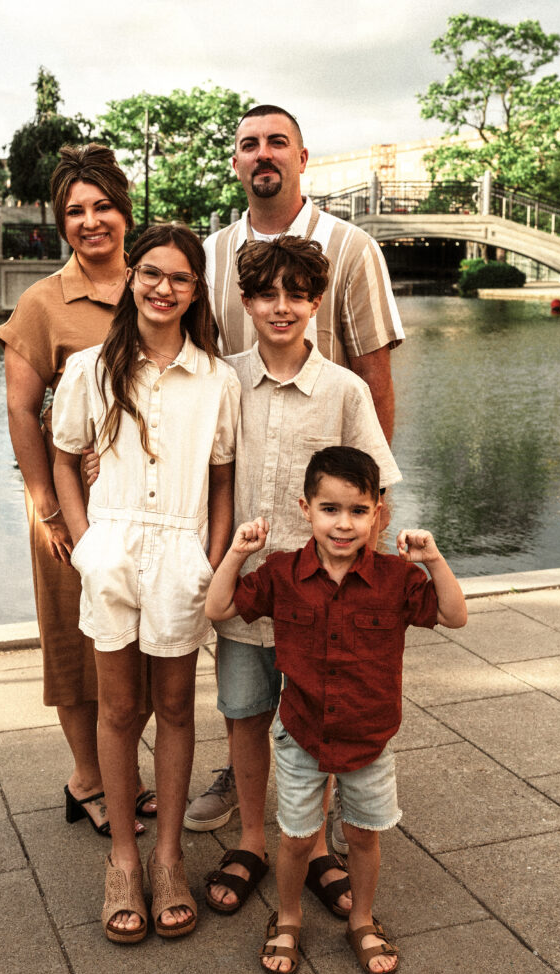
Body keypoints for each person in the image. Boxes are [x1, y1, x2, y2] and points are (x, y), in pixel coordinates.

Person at [188, 102, 405, 836]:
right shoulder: (215, 254)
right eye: (248, 144)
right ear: (236, 162)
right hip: (251, 525)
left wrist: (370, 518)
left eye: (277, 141)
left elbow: (373, 377)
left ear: (303, 157)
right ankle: (256, 809)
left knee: (328, 687)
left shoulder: (350, 248)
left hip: (328, 512)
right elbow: (196, 383)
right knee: (245, 696)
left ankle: (319, 823)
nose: (263, 154)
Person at [206, 446, 467, 974]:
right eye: (329, 509)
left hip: (369, 737)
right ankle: (287, 917)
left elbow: (454, 615)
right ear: (305, 508)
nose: (343, 524)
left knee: (364, 835)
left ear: (377, 511)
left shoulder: (396, 578)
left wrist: (434, 559)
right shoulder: (282, 572)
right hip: (302, 731)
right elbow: (218, 608)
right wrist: (237, 553)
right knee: (298, 837)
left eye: (357, 510)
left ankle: (362, 920)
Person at [201, 237, 401, 920]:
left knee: (313, 717)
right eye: (265, 293)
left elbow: (376, 490)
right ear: (245, 301)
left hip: (319, 603)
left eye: (296, 294)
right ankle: (255, 837)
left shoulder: (344, 389)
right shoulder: (221, 379)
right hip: (247, 588)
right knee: (246, 713)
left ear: (316, 301)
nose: (280, 307)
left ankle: (312, 846)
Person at [52, 224, 240, 944]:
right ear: (133, 279)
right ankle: (124, 862)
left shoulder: (215, 379)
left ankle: (169, 860)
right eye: (152, 274)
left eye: (180, 279)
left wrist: (211, 556)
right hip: (113, 548)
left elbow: (221, 479)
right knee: (120, 708)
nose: (164, 288)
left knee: (177, 708)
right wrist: (87, 543)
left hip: (181, 554)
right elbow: (66, 455)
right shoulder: (93, 368)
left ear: (197, 292)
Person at [0, 143, 156, 842]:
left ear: (124, 210)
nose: (91, 222)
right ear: (62, 224)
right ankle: (88, 778)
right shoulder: (44, 303)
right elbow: (19, 410)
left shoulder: (158, 284)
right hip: (71, 510)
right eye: (74, 212)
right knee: (74, 647)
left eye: (102, 207)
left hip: (148, 505)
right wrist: (49, 508)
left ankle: (123, 772)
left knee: (144, 642)